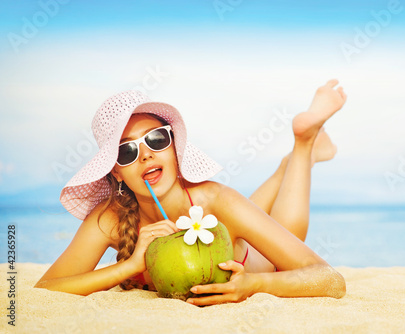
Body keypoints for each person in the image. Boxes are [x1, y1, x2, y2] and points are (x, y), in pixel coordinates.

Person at [35, 79, 347, 305]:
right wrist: (129, 267)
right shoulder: (110, 217)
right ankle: (286, 165)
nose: (144, 155)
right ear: (115, 169)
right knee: (245, 213)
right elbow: (47, 288)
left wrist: (255, 284)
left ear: (173, 148)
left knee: (285, 227)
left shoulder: (215, 199)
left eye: (156, 140)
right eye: (127, 151)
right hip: (227, 219)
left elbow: (329, 278)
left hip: (261, 262)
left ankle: (303, 146)